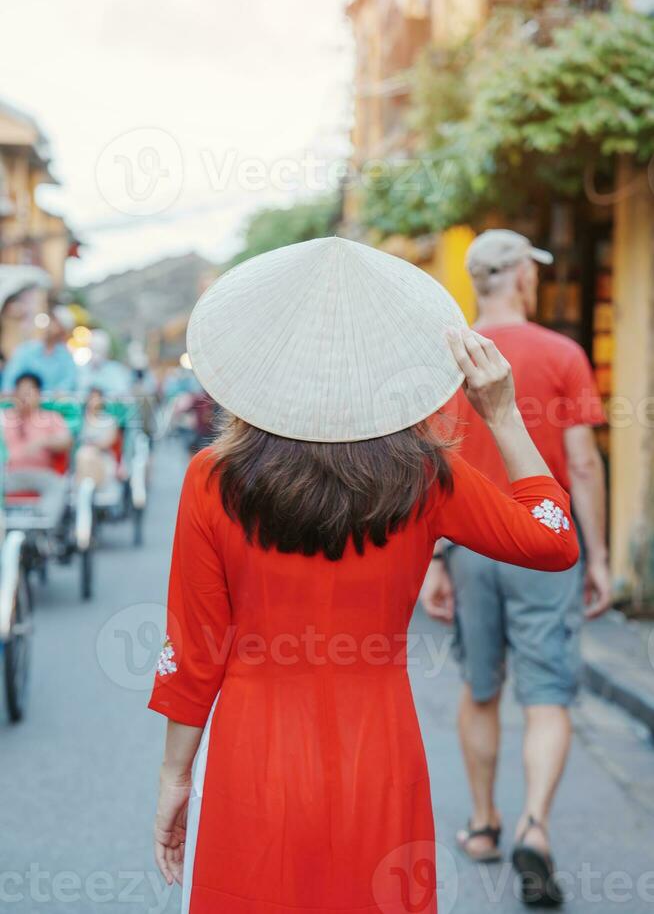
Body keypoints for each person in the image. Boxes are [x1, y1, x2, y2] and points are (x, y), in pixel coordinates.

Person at [147, 237, 579, 914]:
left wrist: (175, 778)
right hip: (378, 754)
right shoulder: (425, 476)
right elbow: (554, 542)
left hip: (252, 757)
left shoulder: (213, 477)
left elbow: (194, 651)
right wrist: (500, 413)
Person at [422, 229, 610, 906]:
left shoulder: (451, 359)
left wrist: (432, 561)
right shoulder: (563, 353)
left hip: (469, 546)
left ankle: (481, 824)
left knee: (480, 686)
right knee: (548, 691)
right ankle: (535, 824)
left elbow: (432, 464)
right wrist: (599, 555)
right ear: (525, 278)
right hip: (544, 542)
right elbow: (582, 465)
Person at [2, 371, 73, 527]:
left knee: (55, 485)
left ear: (38, 395)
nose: (23, 397)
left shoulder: (50, 418)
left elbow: (66, 441)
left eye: (29, 392)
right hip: (7, 474)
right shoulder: (4, 417)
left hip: (41, 475)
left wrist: (44, 441)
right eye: (20, 392)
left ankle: (42, 528)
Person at [2, 305, 77, 394]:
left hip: (52, 406)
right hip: (22, 403)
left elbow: (67, 385)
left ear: (63, 331)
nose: (51, 325)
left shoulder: (66, 358)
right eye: (52, 320)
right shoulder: (25, 350)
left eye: (57, 323)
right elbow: (9, 381)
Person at [75, 387, 119, 488]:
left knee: (85, 454)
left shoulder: (109, 421)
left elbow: (109, 441)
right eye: (91, 398)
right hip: (82, 457)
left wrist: (92, 446)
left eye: (97, 398)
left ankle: (86, 493)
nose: (93, 402)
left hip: (102, 457)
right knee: (83, 455)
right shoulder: (80, 420)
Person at [77, 329, 131, 397]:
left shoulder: (116, 370)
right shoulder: (81, 370)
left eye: (99, 350)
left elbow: (122, 393)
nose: (96, 355)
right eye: (94, 349)